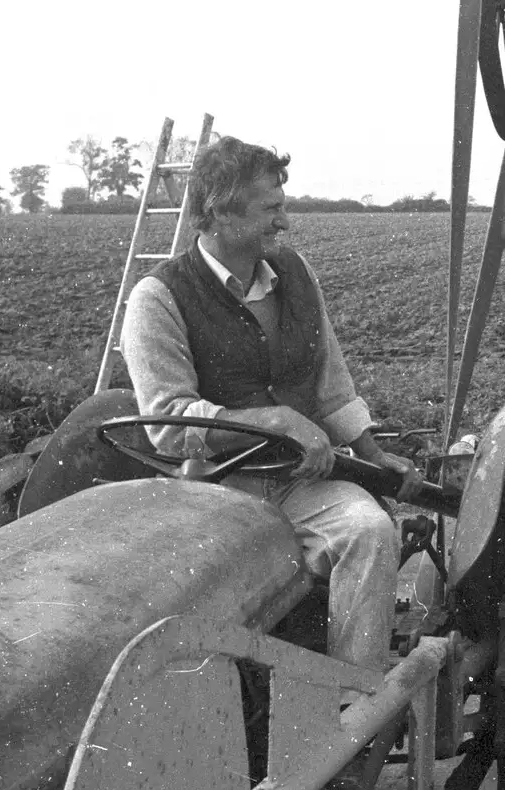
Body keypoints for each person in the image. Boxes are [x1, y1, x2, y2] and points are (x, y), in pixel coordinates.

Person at [120, 136, 424, 672]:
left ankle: (352, 704)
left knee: (370, 531)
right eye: (272, 209)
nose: (284, 223)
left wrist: (372, 453)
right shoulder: (158, 298)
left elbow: (332, 382)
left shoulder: (295, 275)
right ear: (218, 211)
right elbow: (168, 424)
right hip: (216, 488)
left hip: (303, 482)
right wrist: (276, 421)